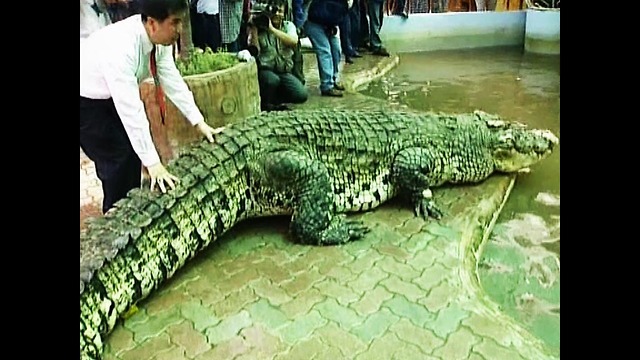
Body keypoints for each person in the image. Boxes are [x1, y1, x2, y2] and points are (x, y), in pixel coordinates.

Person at [80, 0, 222, 214]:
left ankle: (128, 210)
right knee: (118, 159)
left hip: (107, 95)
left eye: (181, 22)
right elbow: (132, 111)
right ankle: (115, 219)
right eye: (174, 23)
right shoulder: (121, 49)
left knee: (130, 155)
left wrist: (199, 122)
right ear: (153, 23)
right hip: (86, 100)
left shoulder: (158, 42)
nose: (179, 30)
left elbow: (172, 80)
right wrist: (154, 163)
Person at [246, 0, 308, 111]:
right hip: (266, 71)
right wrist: (253, 28)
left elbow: (293, 41)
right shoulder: (260, 27)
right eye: (274, 11)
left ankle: (276, 100)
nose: (276, 14)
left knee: (301, 95)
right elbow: (254, 49)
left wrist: (272, 29)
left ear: (284, 14)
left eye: (280, 11)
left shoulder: (288, 26)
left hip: (284, 71)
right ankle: (266, 103)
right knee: (272, 80)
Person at [304, 0, 350, 97]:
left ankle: (333, 80)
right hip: (315, 24)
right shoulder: (342, 5)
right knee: (324, 51)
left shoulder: (344, 4)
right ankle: (327, 86)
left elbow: (344, 26)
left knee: (336, 50)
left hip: (328, 25)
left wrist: (347, 51)